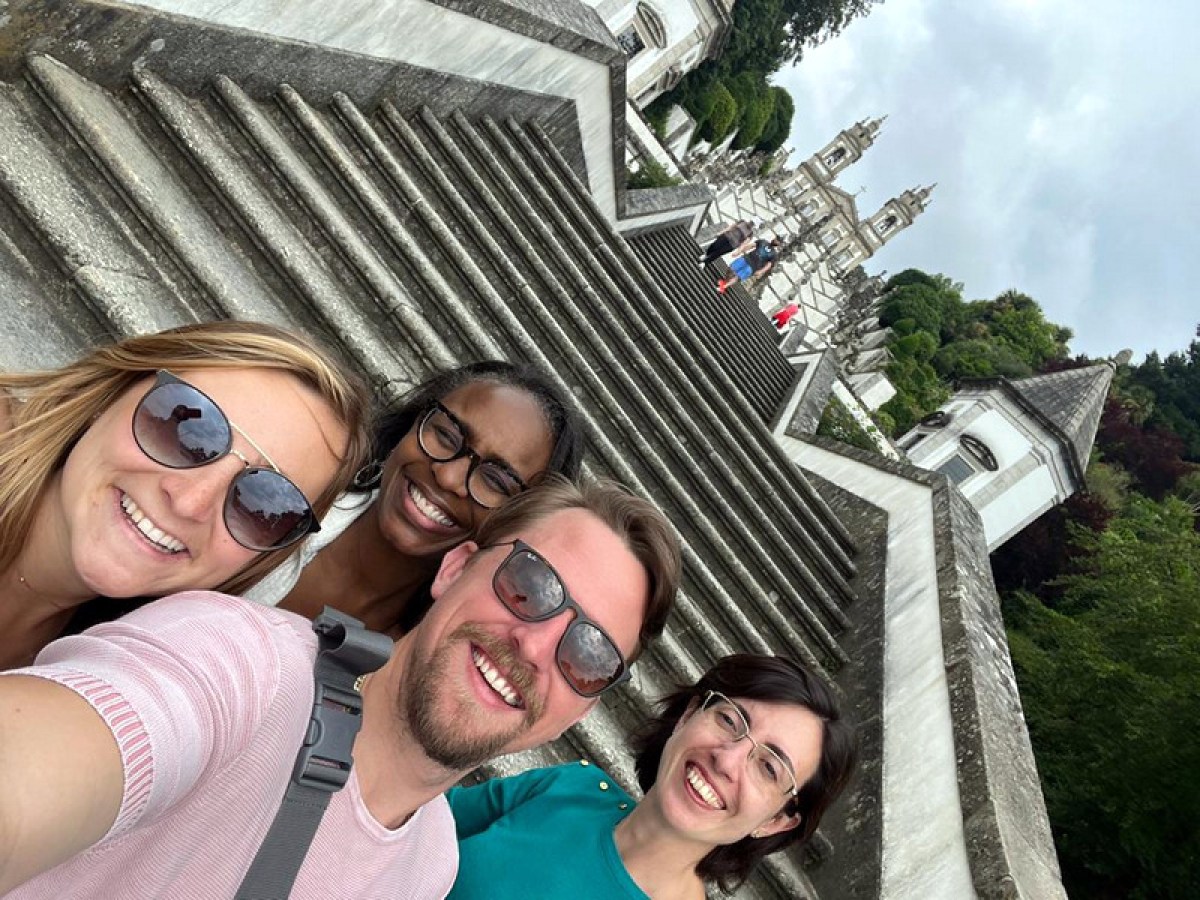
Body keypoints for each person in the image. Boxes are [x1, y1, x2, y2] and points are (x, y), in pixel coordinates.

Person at [0, 476, 681, 898]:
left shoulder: (432, 862)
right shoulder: (244, 663)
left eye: (588, 652)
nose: (535, 646)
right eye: (529, 585)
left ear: (580, 709)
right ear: (455, 568)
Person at [0, 320, 371, 669]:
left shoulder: (104, 677)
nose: (189, 503)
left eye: (263, 504)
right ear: (109, 397)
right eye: (185, 430)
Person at [447, 654, 857, 900]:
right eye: (730, 721)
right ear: (689, 714)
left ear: (776, 820)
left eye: (768, 768)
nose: (728, 761)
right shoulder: (569, 787)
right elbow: (412, 825)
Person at [243, 360, 585, 636]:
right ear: (413, 421)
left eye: (495, 480)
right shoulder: (277, 494)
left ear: (519, 520)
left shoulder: (435, 652)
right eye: (446, 435)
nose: (449, 477)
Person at [717, 237, 782, 294]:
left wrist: (761, 271)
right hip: (746, 258)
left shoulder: (774, 255)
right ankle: (724, 282)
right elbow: (751, 246)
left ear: (779, 244)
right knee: (731, 268)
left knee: (739, 276)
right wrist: (740, 251)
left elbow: (769, 265)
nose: (775, 240)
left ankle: (724, 287)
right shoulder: (763, 241)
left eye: (778, 240)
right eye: (776, 238)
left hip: (753, 267)